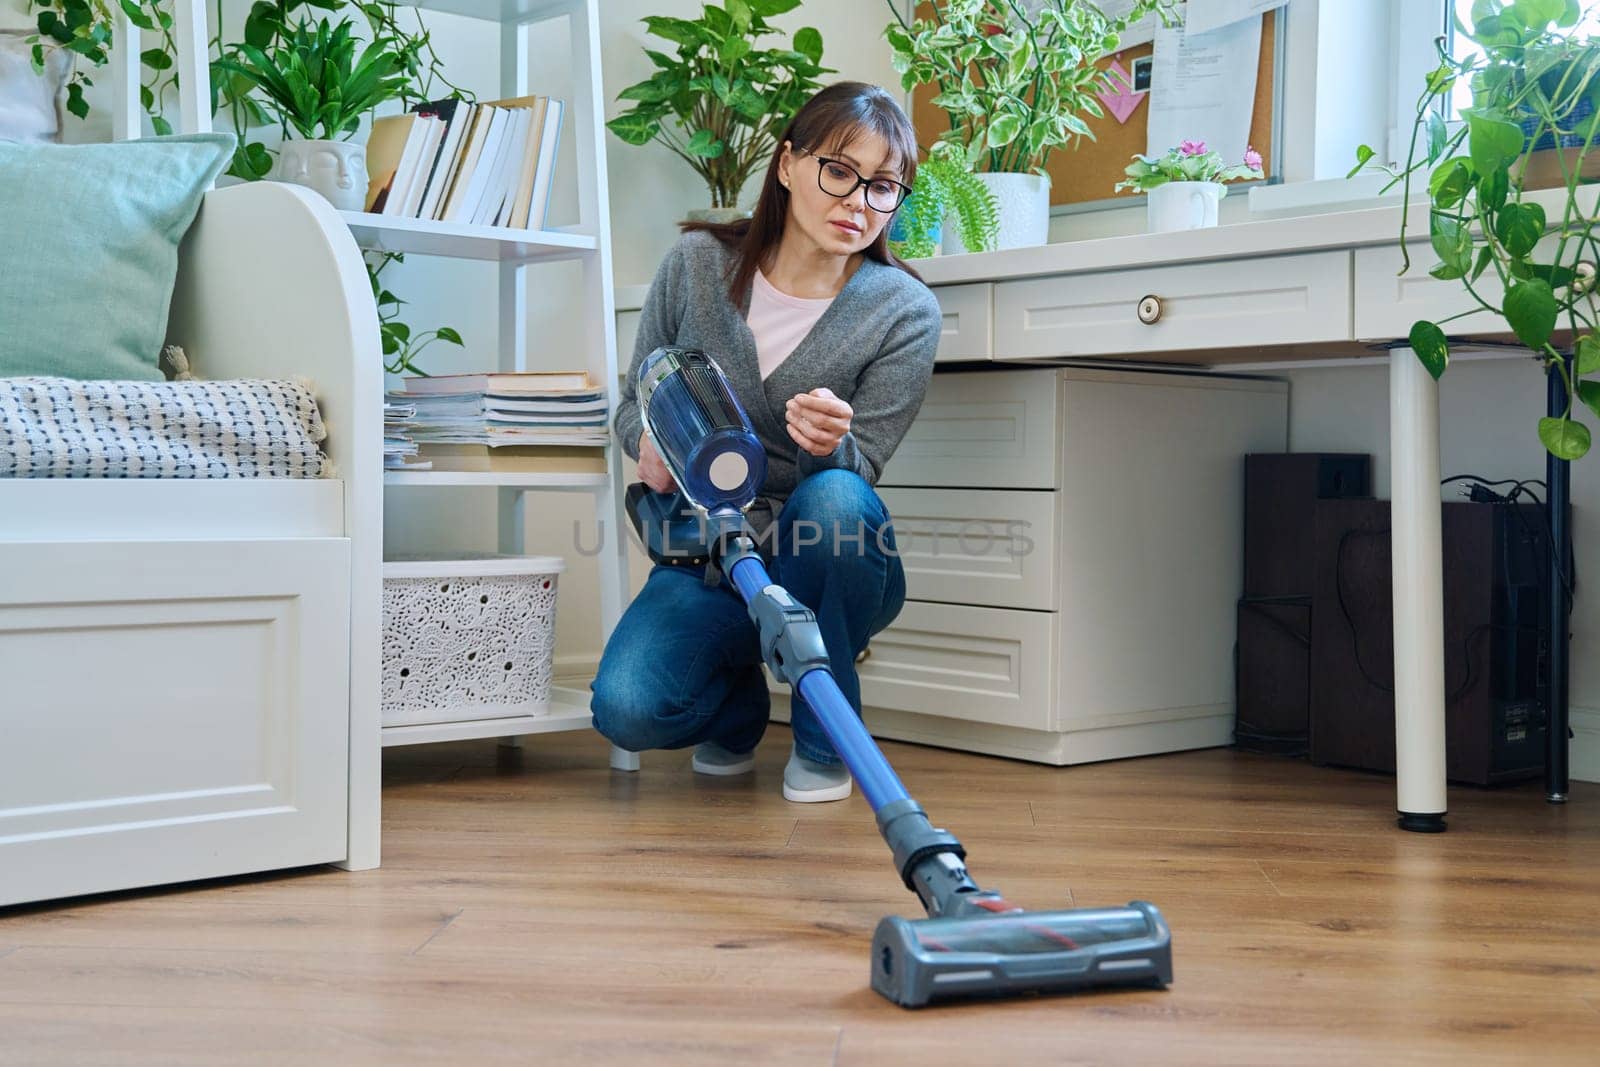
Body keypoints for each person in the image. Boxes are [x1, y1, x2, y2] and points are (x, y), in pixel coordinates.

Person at [589, 81, 943, 803]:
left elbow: (861, 470)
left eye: (884, 187)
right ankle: (744, 705)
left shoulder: (905, 311)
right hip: (711, 555)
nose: (858, 203)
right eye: (839, 171)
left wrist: (828, 444)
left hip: (830, 555)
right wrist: (647, 446)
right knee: (627, 705)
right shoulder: (694, 265)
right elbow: (636, 401)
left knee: (839, 495)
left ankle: (824, 740)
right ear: (787, 164)